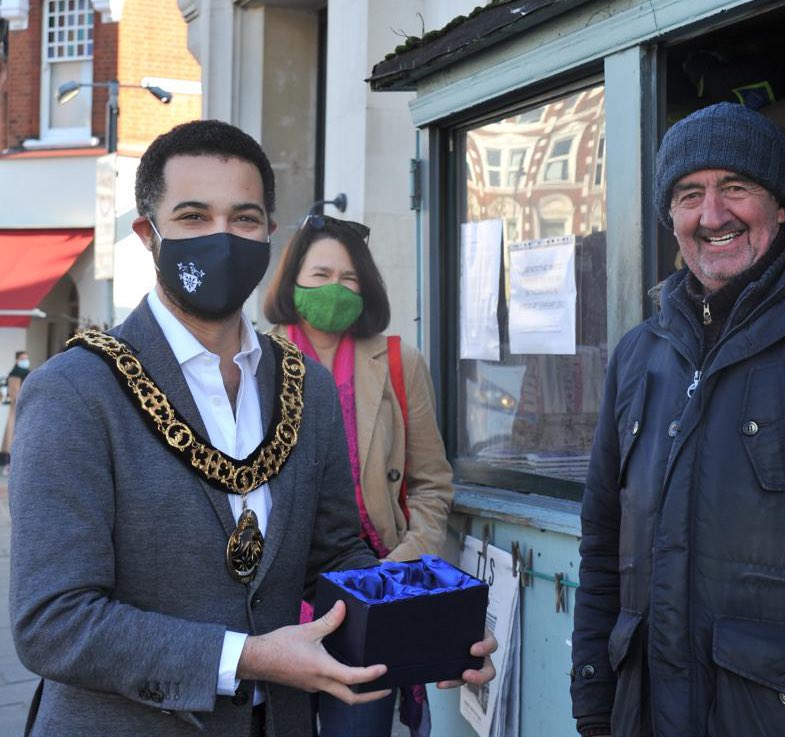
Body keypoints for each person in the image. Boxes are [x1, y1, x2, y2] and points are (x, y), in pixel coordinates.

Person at [9, 119, 495, 737]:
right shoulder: (76, 391)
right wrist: (248, 657)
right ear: (147, 234)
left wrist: (425, 625)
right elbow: (53, 622)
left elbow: (336, 554)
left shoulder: (303, 385)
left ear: (269, 232)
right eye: (192, 216)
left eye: (243, 218)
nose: (221, 237)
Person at [571, 102, 785, 737]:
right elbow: (601, 544)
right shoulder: (640, 354)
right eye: (690, 194)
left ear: (780, 206)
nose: (713, 215)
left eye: (737, 188)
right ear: (671, 217)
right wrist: (594, 701)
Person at [263, 214, 455, 737]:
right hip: (276, 606)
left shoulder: (398, 361)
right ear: (292, 281)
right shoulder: (253, 359)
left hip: (375, 592)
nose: (335, 289)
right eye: (321, 274)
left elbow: (433, 481)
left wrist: (399, 571)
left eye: (349, 279)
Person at [0, 350, 29, 476]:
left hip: (24, 410)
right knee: (13, 438)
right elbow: (14, 394)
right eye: (23, 358)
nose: (26, 361)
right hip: (17, 410)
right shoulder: (15, 374)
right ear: (17, 360)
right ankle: (8, 465)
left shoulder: (26, 372)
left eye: (27, 358)